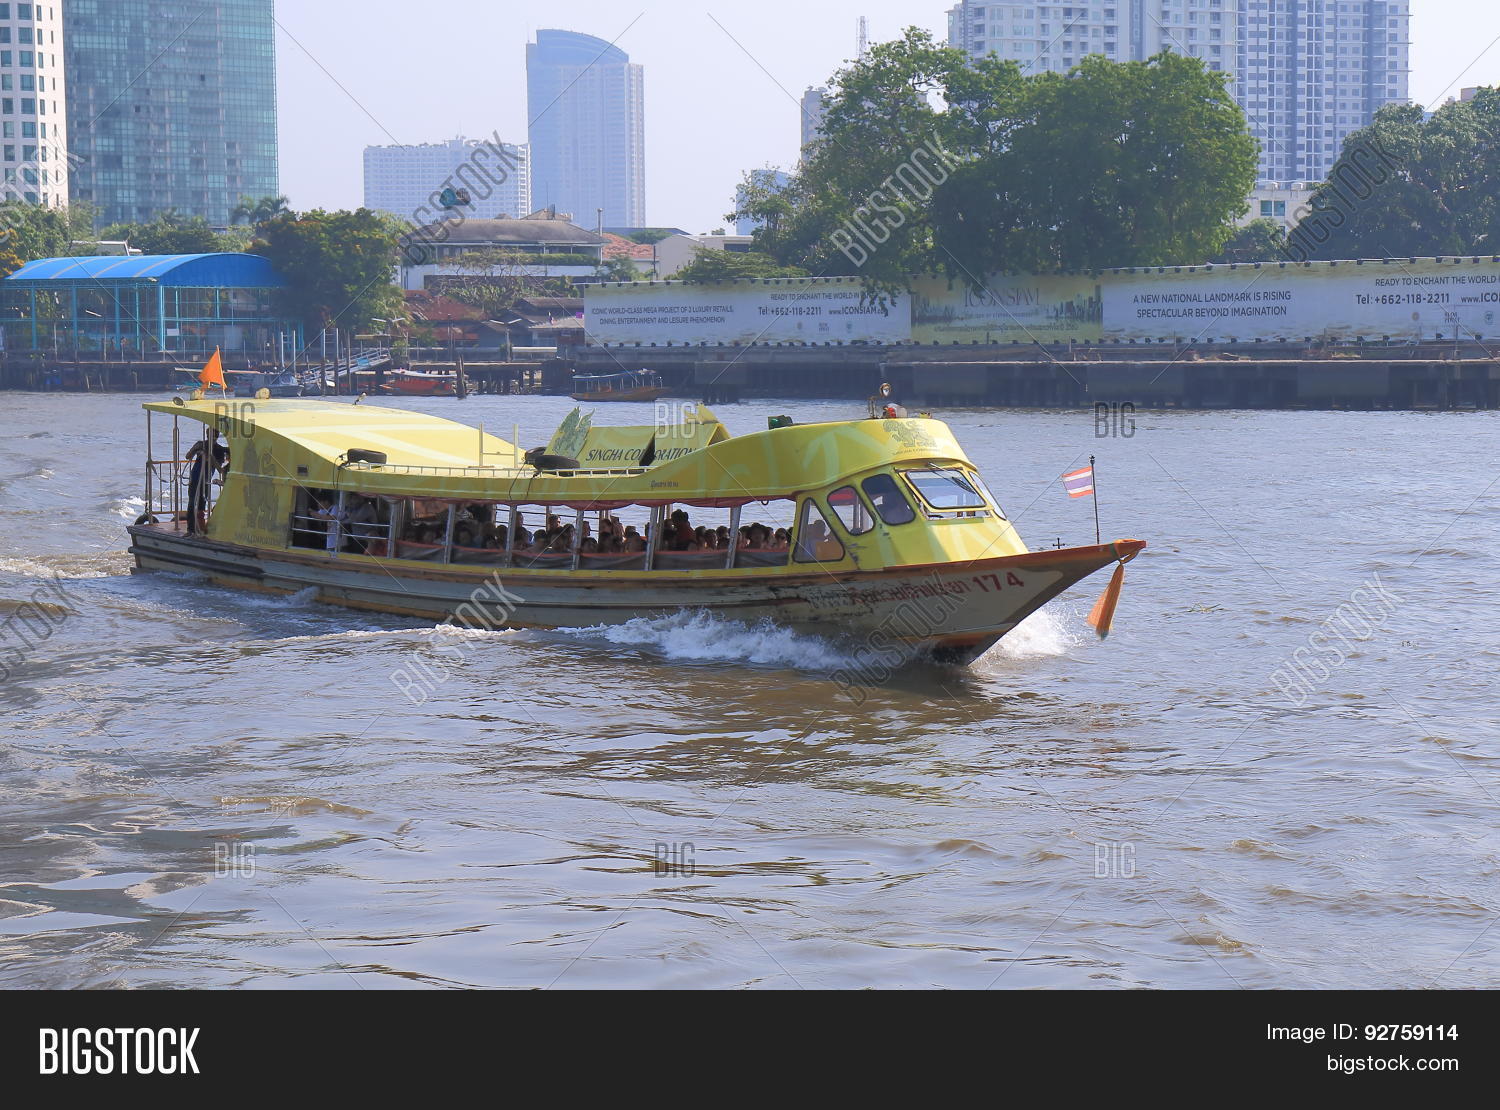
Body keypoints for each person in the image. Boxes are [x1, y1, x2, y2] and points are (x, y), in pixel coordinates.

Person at [185, 427, 229, 535]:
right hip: (195, 477)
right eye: (210, 435)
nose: (212, 438)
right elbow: (188, 456)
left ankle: (200, 529)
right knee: (191, 503)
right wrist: (196, 449)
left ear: (217, 437)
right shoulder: (201, 444)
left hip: (205, 479)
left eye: (214, 436)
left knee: (202, 503)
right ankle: (190, 529)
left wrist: (210, 457)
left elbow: (219, 469)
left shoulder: (219, 450)